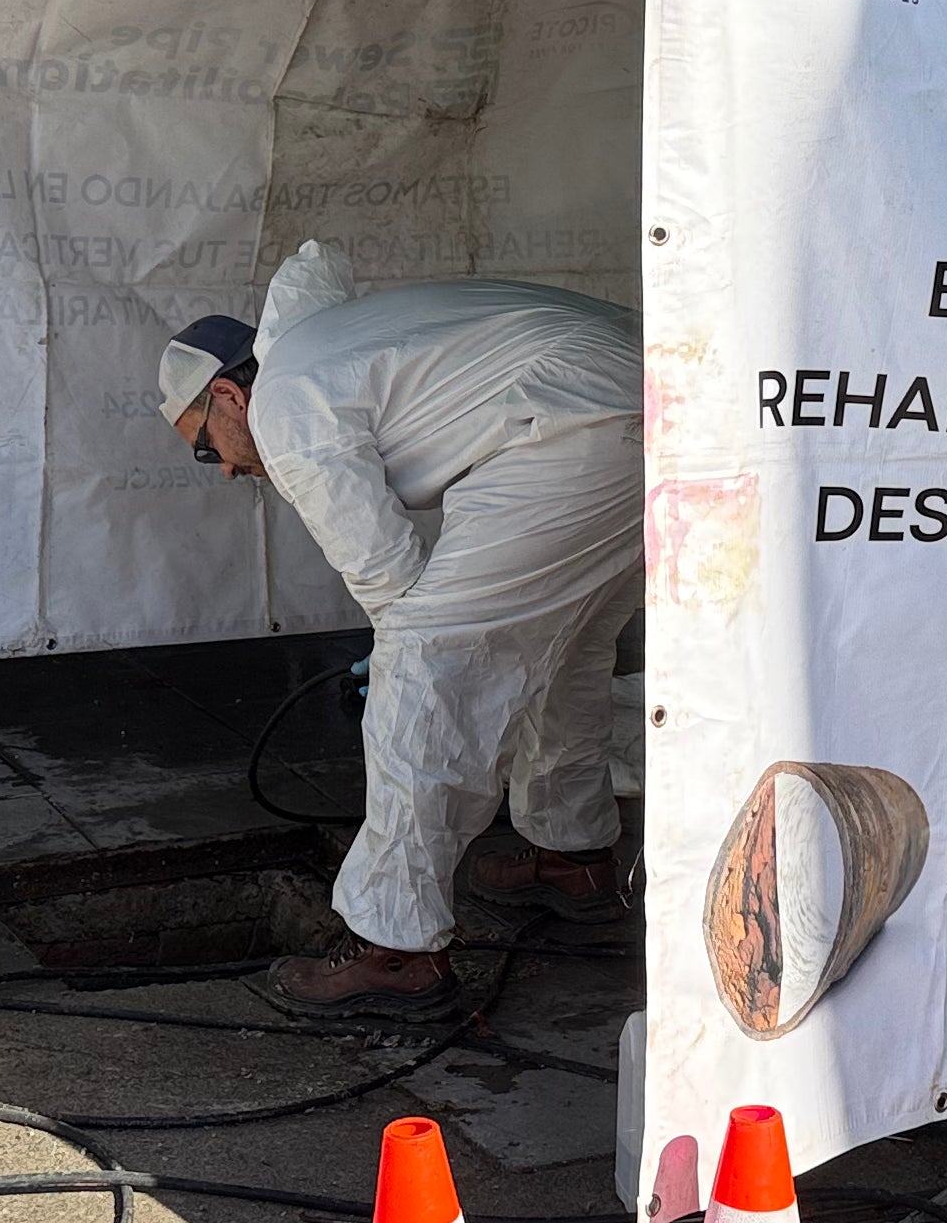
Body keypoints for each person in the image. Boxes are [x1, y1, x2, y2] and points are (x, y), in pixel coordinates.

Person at [163, 242, 643, 1020]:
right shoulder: (331, 349)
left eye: (204, 446)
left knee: (426, 669)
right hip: (657, 394)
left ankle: (397, 949)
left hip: (574, 423)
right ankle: (574, 860)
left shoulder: (285, 400)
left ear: (226, 395)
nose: (222, 469)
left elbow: (389, 582)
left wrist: (412, 654)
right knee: (568, 653)